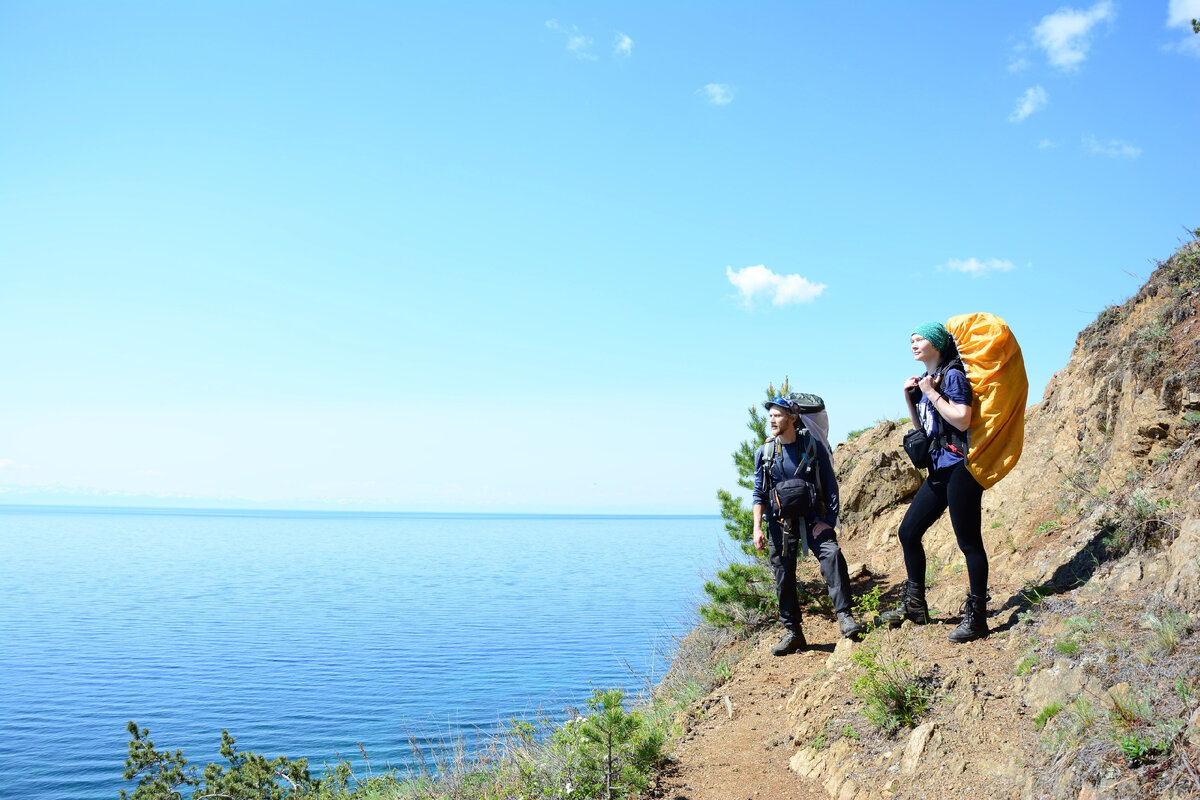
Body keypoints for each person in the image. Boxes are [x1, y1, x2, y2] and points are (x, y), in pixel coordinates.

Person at [882, 322, 989, 642]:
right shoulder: (931, 379)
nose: (913, 344)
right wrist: (911, 398)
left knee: (969, 542)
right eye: (911, 340)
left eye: (920, 339)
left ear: (938, 344)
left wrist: (930, 392)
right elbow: (925, 429)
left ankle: (978, 617)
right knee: (908, 532)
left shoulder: (953, 376)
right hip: (938, 469)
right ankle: (916, 604)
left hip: (960, 469)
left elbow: (962, 418)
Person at [752, 396, 861, 656]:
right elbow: (759, 493)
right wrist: (757, 528)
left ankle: (845, 617)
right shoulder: (765, 453)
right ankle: (793, 632)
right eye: (770, 417)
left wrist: (827, 523)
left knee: (832, 554)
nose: (772, 420)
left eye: (777, 416)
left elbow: (831, 487)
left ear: (793, 418)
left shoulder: (813, 446)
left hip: (814, 519)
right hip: (780, 524)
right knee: (783, 575)